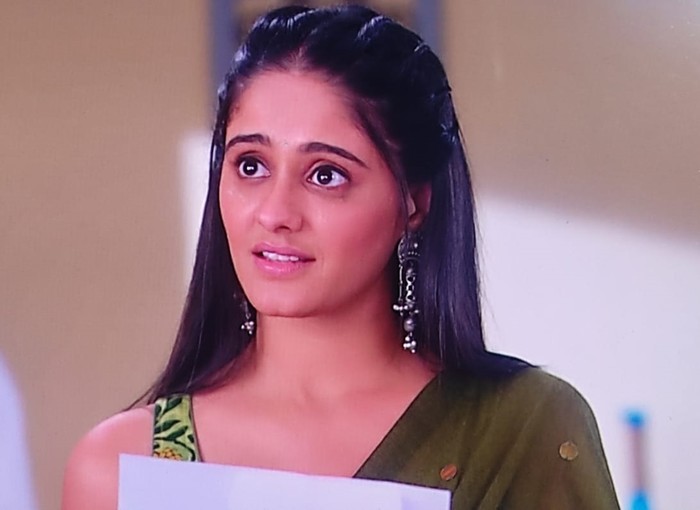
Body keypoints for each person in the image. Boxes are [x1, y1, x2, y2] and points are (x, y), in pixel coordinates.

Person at [61, 5, 619, 509]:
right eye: (251, 165)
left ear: (414, 203)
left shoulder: (522, 430)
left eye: (326, 175)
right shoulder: (120, 468)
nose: (275, 212)